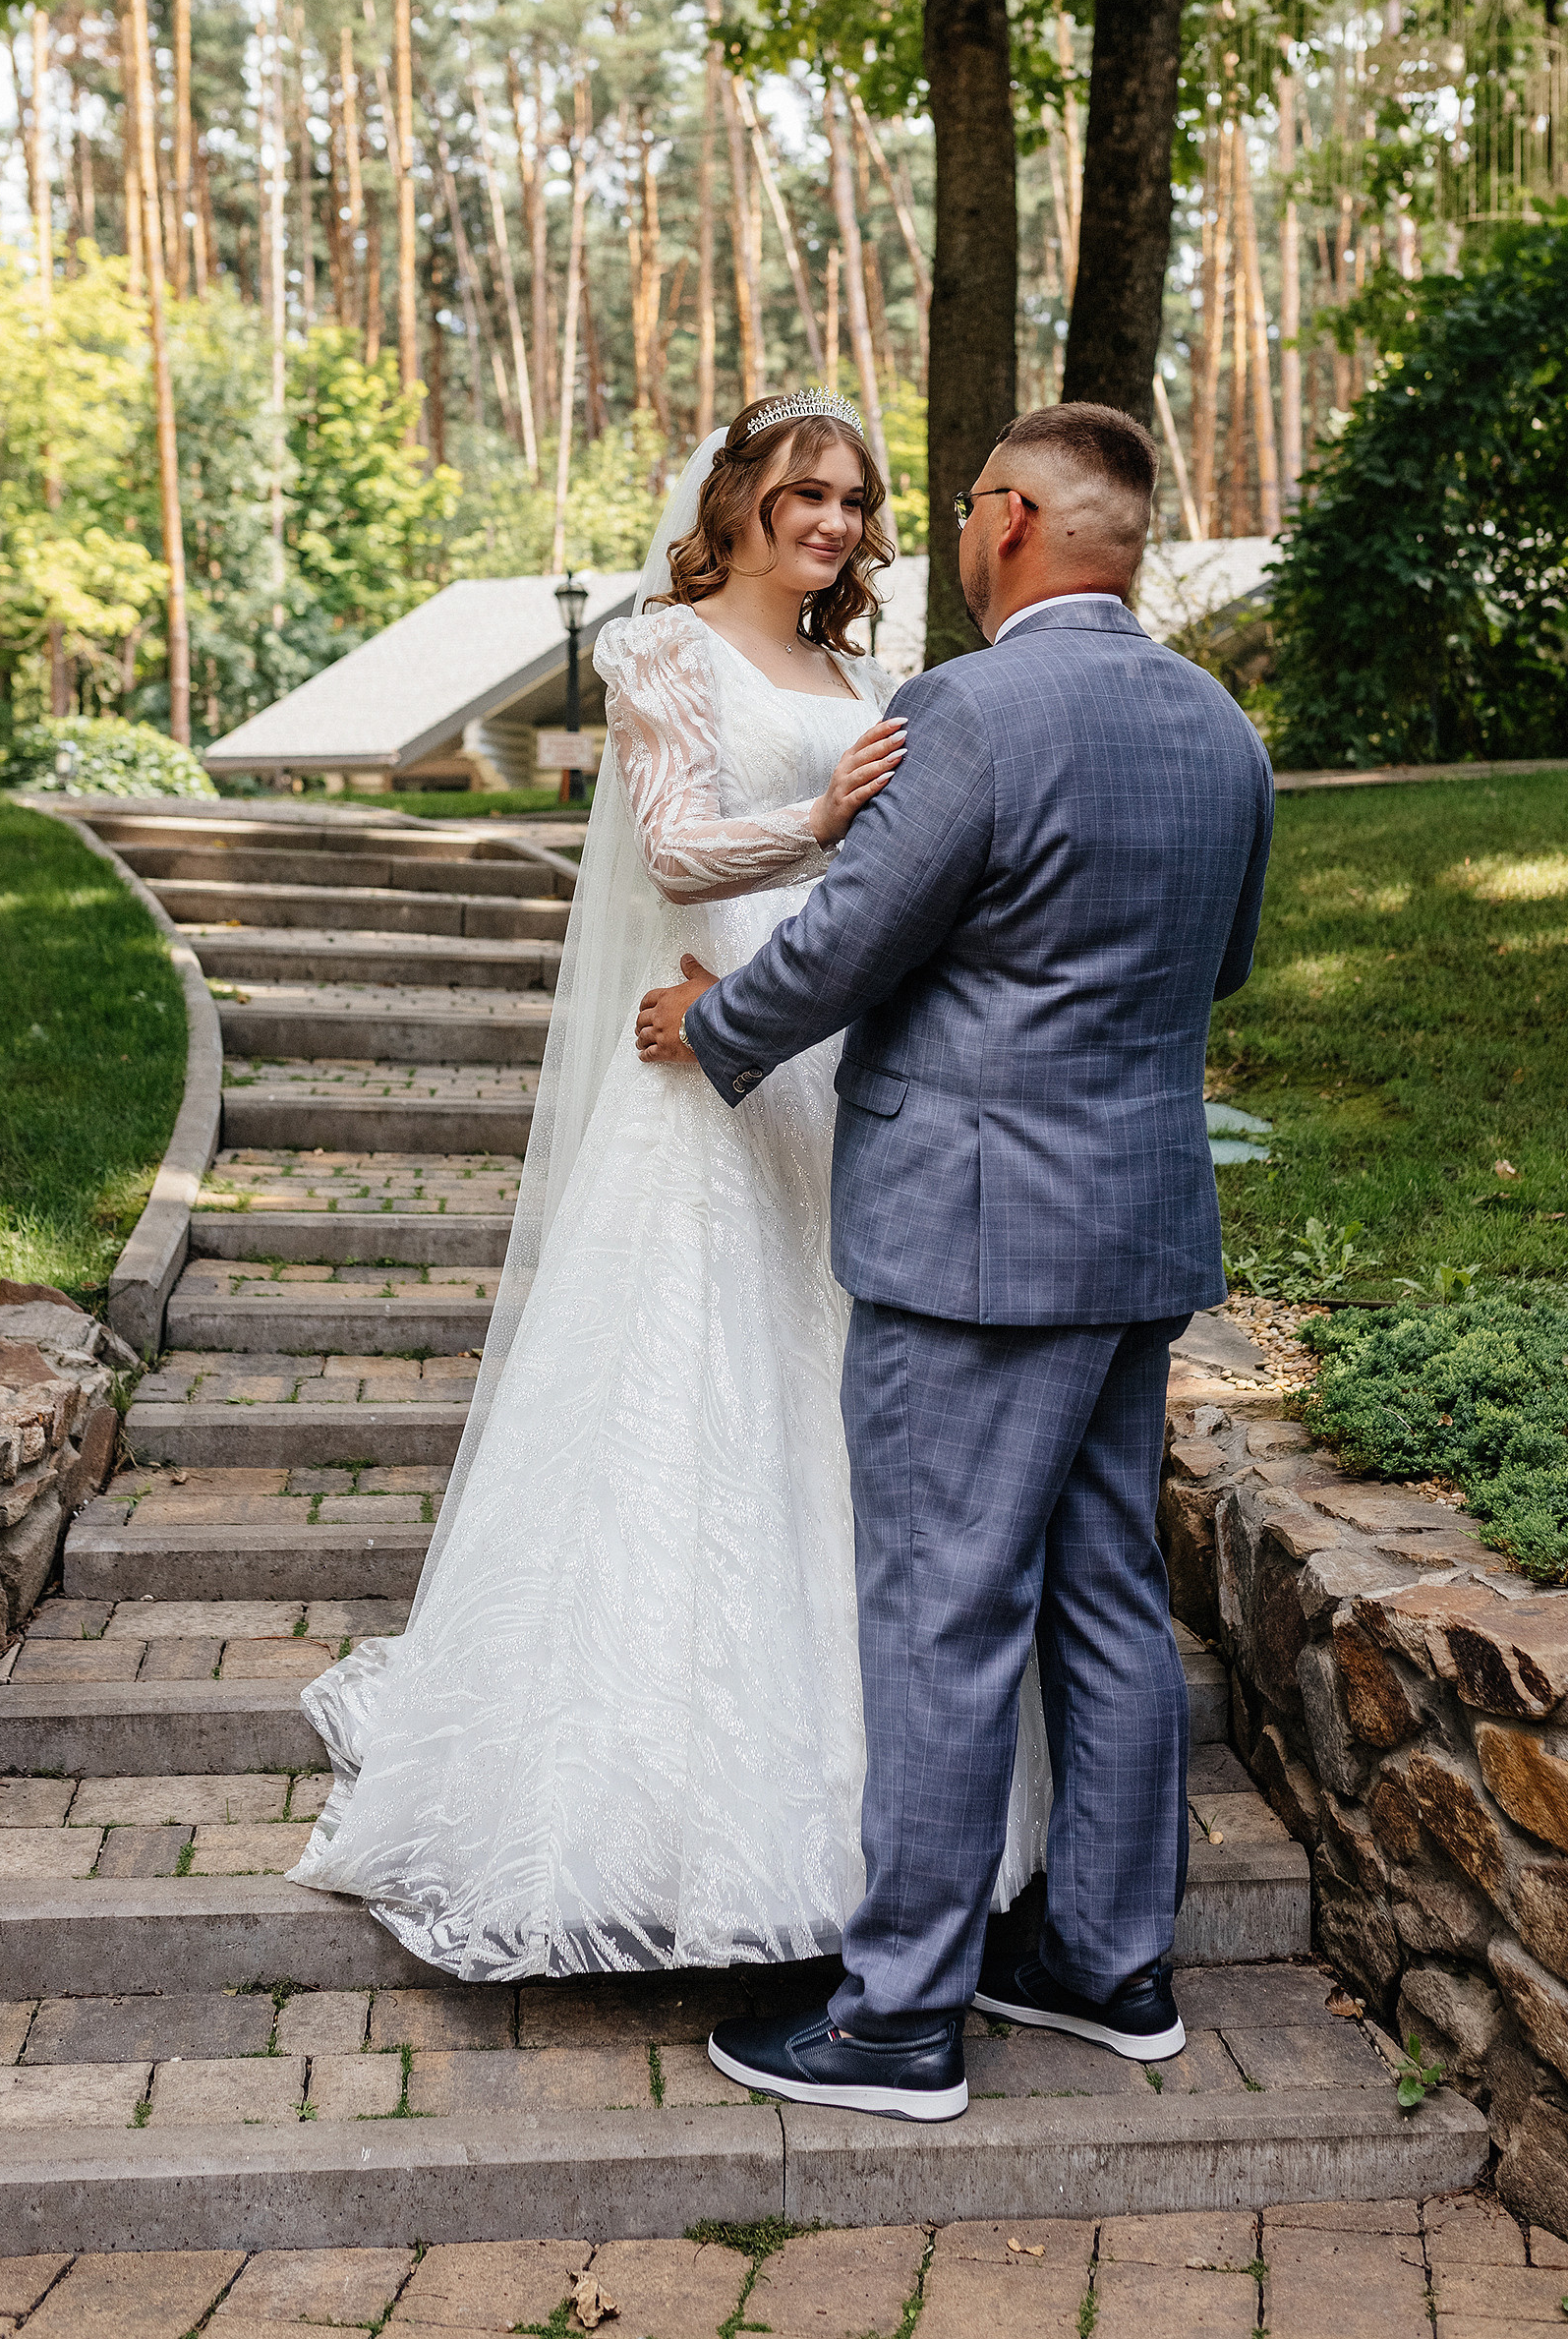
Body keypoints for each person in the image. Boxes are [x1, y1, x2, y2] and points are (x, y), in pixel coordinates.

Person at [288, 391, 1051, 1983]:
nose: (832, 523)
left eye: (853, 499)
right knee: (686, 1412)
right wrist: (828, 815)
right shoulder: (664, 649)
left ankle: (873, 1807)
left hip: (835, 1060)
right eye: (803, 495)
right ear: (742, 501)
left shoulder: (864, 677)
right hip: (698, 1056)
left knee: (837, 1412)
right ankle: (639, 1815)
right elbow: (677, 849)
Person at [635, 400, 1274, 2123]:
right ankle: (1108, 1962)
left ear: (1007, 520)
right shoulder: (1224, 728)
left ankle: (899, 2016)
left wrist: (717, 1022)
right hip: (1137, 1222)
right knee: (1111, 1598)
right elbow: (1216, 973)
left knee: (940, 1605)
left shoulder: (967, 711)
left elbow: (852, 938)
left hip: (975, 1238)